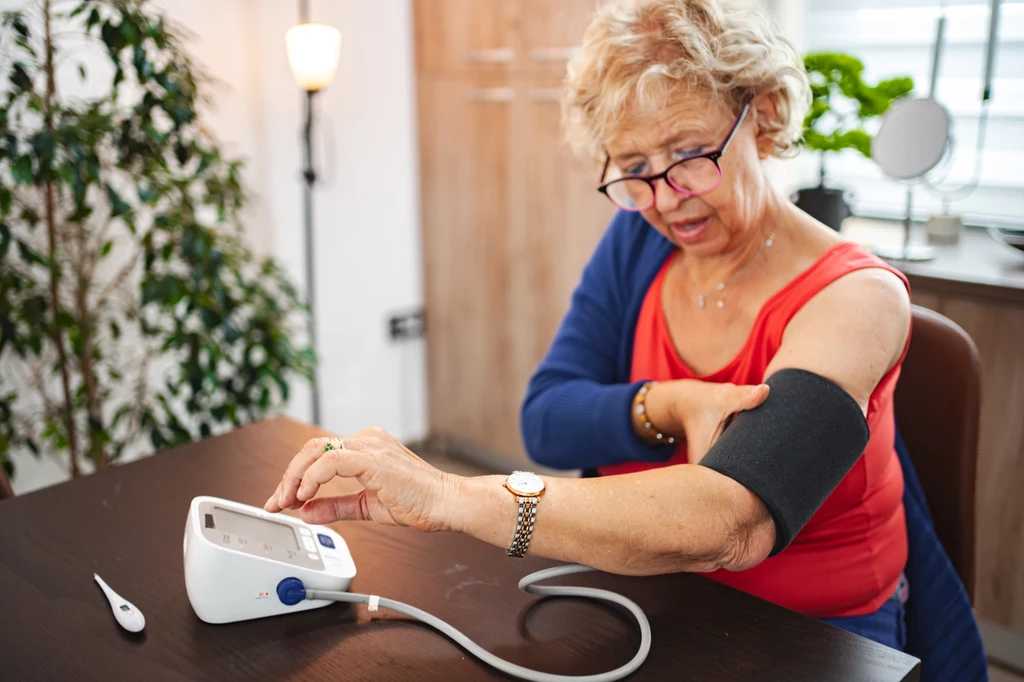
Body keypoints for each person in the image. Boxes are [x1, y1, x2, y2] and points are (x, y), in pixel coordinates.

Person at [265, 0, 912, 652]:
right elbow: (546, 420)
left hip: (816, 637)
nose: (664, 200)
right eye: (634, 168)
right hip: (653, 595)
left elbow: (735, 524)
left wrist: (450, 497)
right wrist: (665, 402)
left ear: (765, 116)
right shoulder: (641, 239)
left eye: (690, 153)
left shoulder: (858, 298)